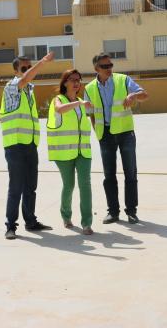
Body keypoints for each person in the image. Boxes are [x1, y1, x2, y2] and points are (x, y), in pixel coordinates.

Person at [84, 52, 148, 224]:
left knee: (130, 173)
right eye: (105, 66)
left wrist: (133, 95)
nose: (109, 69)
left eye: (111, 65)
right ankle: (113, 212)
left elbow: (144, 94)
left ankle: (131, 211)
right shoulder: (89, 88)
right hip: (105, 135)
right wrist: (98, 133)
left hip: (125, 133)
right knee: (109, 175)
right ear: (96, 68)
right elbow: (90, 113)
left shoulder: (123, 80)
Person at [0, 53, 54, 240]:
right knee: (16, 187)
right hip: (15, 146)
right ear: (16, 71)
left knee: (30, 187)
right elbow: (24, 79)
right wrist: (43, 62)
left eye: (30, 67)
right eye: (25, 68)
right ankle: (10, 226)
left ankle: (30, 221)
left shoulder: (30, 91)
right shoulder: (11, 87)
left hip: (30, 145)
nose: (29, 70)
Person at [46, 69, 94, 235]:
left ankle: (87, 223)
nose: (76, 82)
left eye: (78, 80)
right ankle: (66, 216)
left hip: (83, 152)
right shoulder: (58, 100)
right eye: (72, 79)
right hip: (64, 153)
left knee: (85, 185)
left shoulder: (81, 102)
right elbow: (60, 110)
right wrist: (80, 104)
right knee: (69, 185)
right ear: (65, 82)